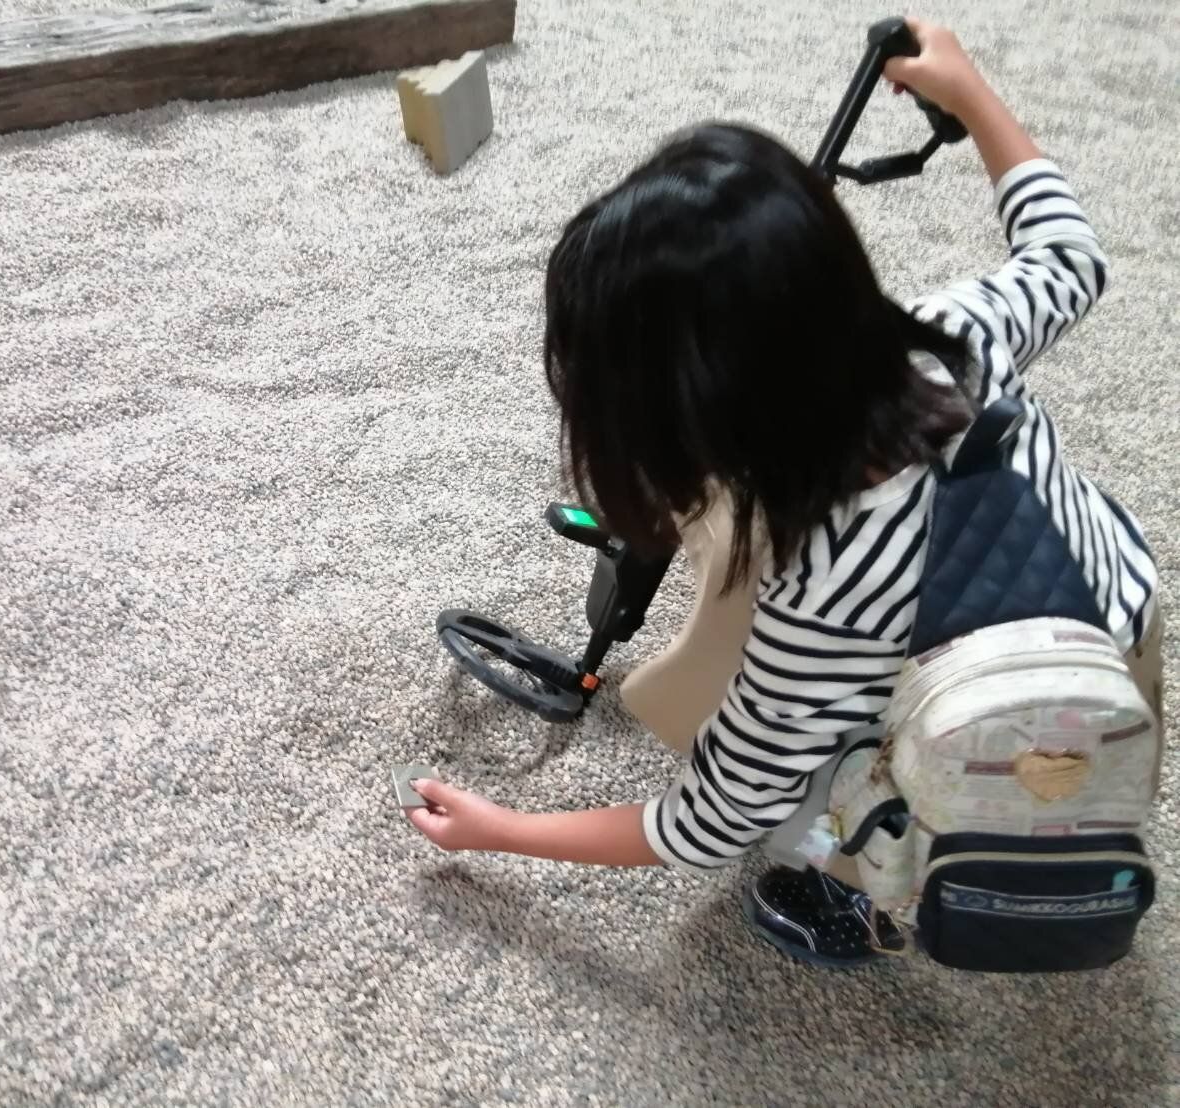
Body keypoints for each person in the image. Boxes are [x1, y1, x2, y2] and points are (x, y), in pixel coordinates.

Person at [406, 17, 1165, 967]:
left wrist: (502, 829)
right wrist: (968, 92)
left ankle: (864, 899)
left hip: (1013, 732)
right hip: (1118, 634)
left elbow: (707, 820)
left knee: (794, 799)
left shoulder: (825, 594)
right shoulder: (948, 340)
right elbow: (1067, 258)